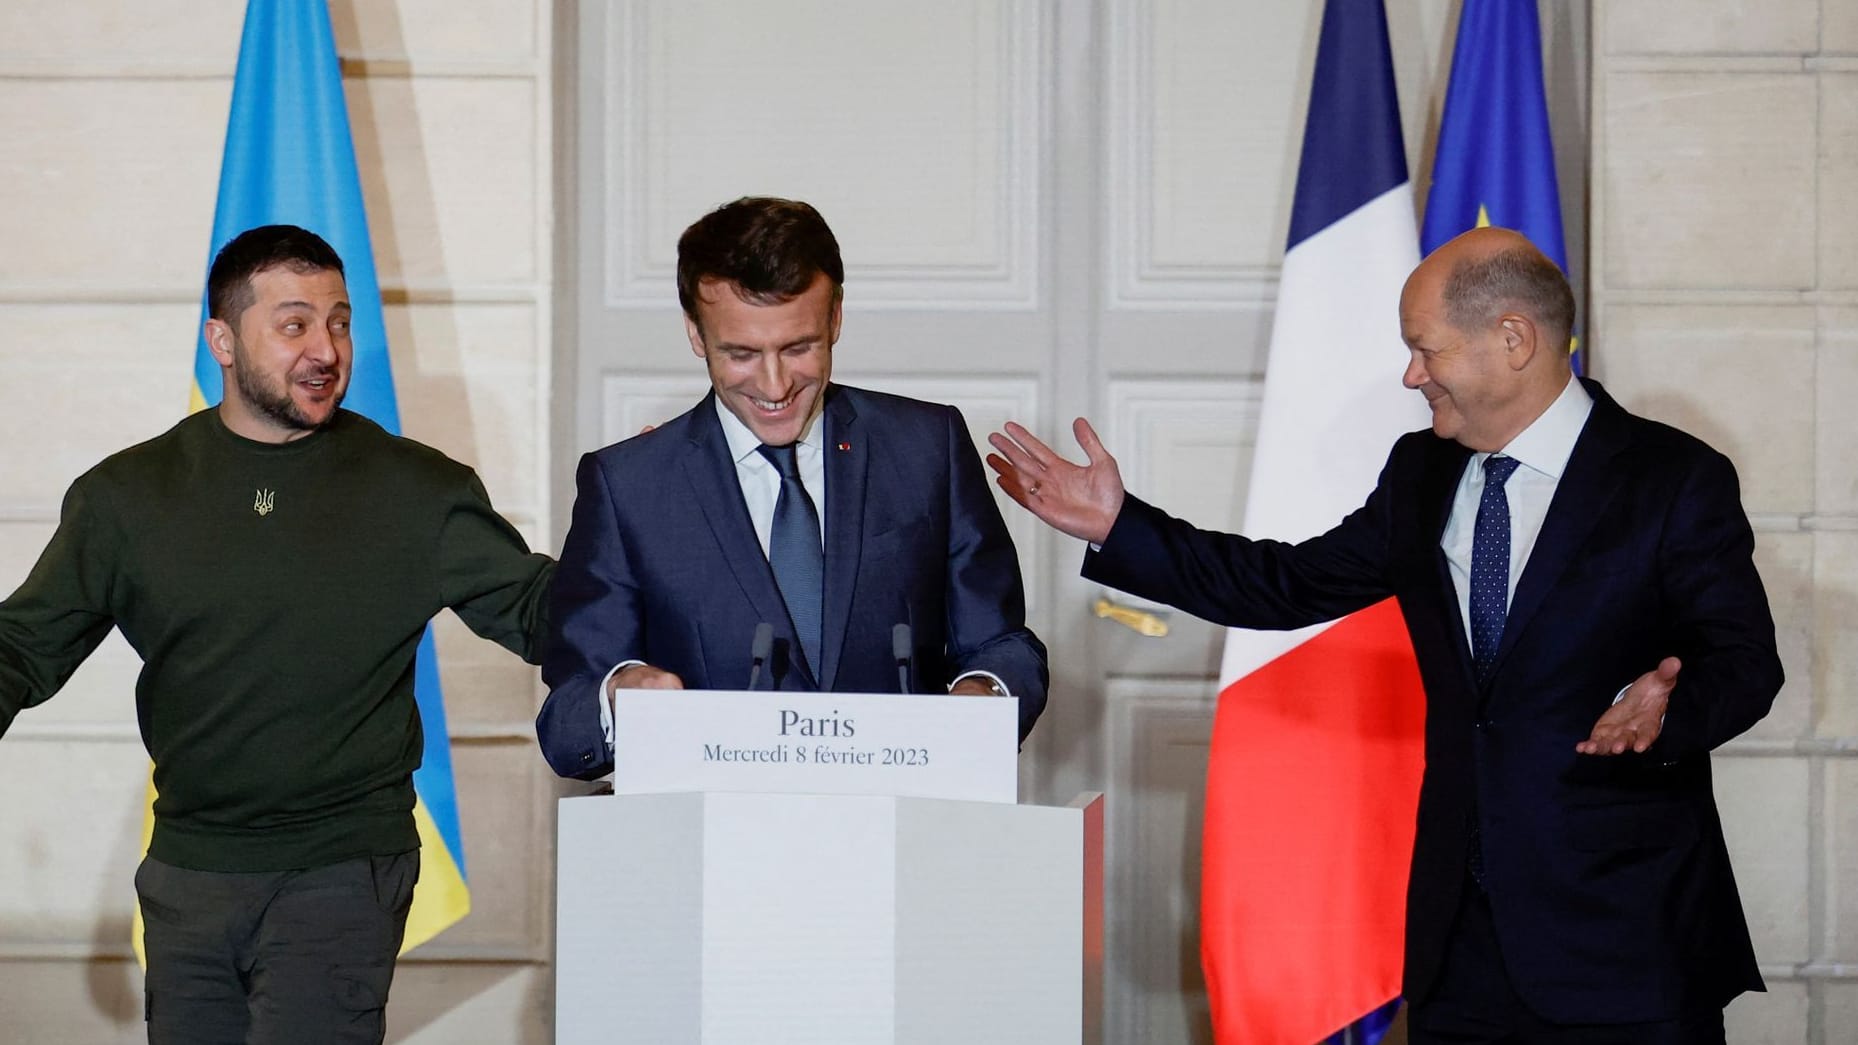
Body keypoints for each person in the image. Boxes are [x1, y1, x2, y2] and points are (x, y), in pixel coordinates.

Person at [987, 227, 1780, 1043]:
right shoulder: (1421, 471)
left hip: (1628, 942)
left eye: (1423, 348)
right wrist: (1120, 525)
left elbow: (1747, 662)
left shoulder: (1673, 478)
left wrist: (1665, 712)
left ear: (1514, 339)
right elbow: (1284, 583)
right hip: (1458, 953)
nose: (1411, 374)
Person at [0, 224, 555, 1045]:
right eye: (294, 324)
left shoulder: (419, 490)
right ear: (221, 340)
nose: (325, 348)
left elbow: (545, 611)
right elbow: (24, 646)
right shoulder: (124, 496)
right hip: (187, 872)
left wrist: (651, 534)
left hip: (342, 867)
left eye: (339, 321)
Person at [538, 196, 1047, 780]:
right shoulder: (628, 486)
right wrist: (618, 697)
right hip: (707, 849)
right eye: (742, 353)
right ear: (696, 334)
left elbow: (1004, 644)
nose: (774, 383)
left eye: (798, 347)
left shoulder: (928, 447)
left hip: (905, 830)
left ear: (834, 319)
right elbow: (565, 720)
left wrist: (983, 700)